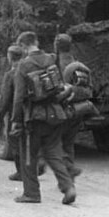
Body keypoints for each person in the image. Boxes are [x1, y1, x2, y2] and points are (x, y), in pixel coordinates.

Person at [10, 31, 76, 205]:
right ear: (37, 42)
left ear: (23, 46)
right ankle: (68, 186)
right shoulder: (51, 59)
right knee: (54, 153)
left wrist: (16, 121)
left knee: (29, 156)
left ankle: (31, 194)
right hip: (56, 113)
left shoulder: (23, 66)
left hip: (34, 117)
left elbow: (18, 97)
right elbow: (60, 86)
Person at [54, 33, 94, 179]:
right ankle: (69, 175)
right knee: (69, 143)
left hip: (64, 110)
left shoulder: (58, 65)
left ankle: (69, 170)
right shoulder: (78, 64)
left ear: (56, 46)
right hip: (79, 109)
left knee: (55, 144)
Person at [0, 44, 24, 181]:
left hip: (15, 113)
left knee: (15, 143)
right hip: (31, 112)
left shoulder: (10, 74)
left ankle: (21, 172)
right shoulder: (27, 71)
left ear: (9, 57)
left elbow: (4, 99)